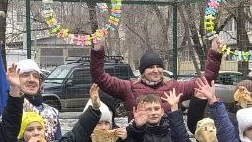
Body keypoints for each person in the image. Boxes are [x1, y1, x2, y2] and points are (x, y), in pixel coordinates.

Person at [90, 35, 223, 112]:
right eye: (150, 67)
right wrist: (97, 51)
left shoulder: (175, 87)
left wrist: (215, 54)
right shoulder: (129, 87)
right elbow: (100, 78)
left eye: (159, 66)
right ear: (143, 71)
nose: (156, 70)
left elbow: (206, 81)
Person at [13, 58, 62, 141]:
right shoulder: (11, 110)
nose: (31, 80)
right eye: (25, 75)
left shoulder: (52, 113)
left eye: (35, 76)